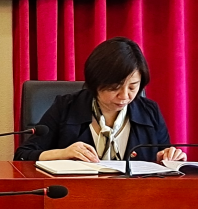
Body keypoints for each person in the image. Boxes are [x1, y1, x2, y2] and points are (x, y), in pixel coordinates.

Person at [14, 37, 186, 163]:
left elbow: (163, 156)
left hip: (136, 197)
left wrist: (168, 157)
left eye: (133, 87)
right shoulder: (66, 107)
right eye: (115, 88)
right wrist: (61, 153)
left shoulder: (149, 112)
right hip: (76, 195)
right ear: (95, 83)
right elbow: (22, 155)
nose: (124, 96)